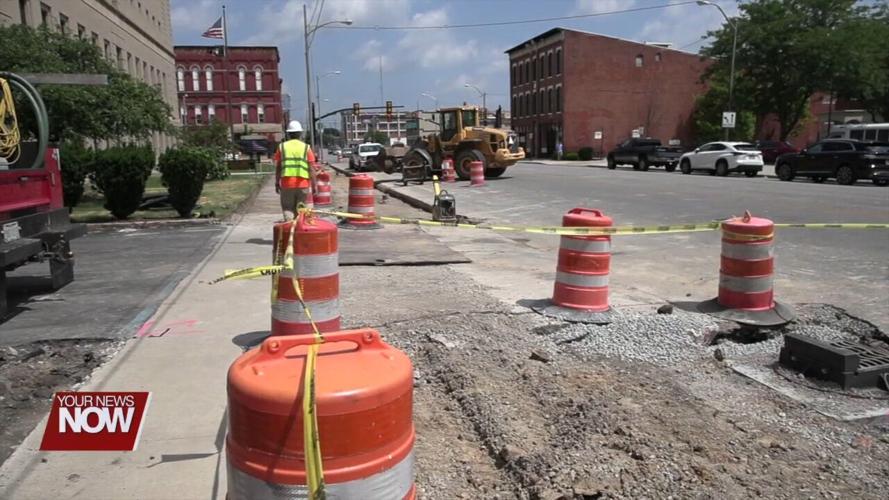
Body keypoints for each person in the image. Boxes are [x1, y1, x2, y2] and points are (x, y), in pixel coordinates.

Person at [274, 120, 316, 221]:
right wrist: (314, 185)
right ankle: (299, 228)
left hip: (287, 184)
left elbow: (278, 167)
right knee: (301, 211)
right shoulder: (306, 148)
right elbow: (311, 169)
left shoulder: (282, 147)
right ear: (300, 133)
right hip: (303, 184)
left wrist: (277, 182)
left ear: (288, 134)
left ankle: (290, 228)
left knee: (288, 209)